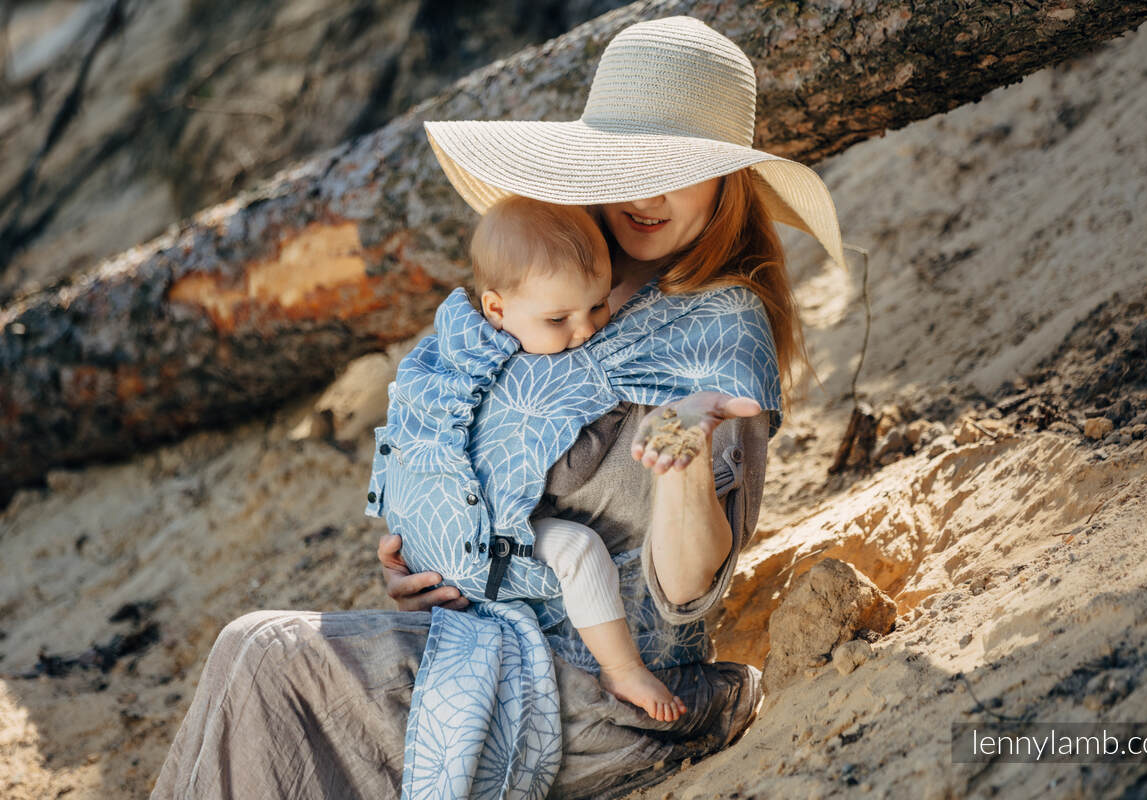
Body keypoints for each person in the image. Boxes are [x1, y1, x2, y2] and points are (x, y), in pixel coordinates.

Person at [150, 15, 845, 799]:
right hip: (482, 630)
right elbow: (476, 464)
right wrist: (435, 550)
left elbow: (688, 591)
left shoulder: (721, 333)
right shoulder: (553, 287)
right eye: (627, 161)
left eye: (678, 167)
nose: (647, 194)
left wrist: (684, 469)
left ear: (726, 180)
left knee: (268, 656)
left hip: (603, 692)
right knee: (255, 658)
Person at [387, 193, 687, 722]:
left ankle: (608, 668)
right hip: (465, 540)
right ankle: (622, 668)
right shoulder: (467, 361)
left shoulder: (500, 343)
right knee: (579, 550)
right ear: (496, 308)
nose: (586, 330)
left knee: (570, 551)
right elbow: (416, 433)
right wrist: (404, 537)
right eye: (559, 319)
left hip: (468, 536)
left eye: (598, 305)